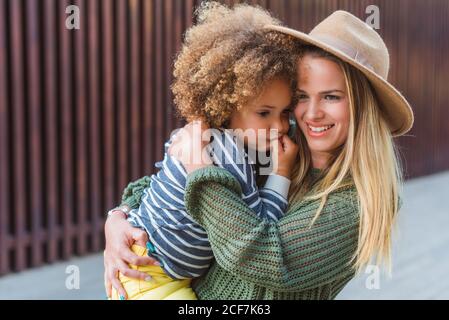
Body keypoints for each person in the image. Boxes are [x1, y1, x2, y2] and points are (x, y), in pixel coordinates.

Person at [104, 9, 414, 300]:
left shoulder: (361, 198)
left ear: (364, 108)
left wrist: (201, 169)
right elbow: (167, 183)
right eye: (302, 97)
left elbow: (264, 256)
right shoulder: (283, 144)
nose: (312, 113)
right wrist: (119, 221)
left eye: (331, 97)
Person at [108, 2, 299, 300]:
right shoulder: (229, 157)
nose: (280, 125)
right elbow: (262, 224)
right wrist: (282, 173)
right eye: (264, 113)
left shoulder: (197, 137)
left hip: (149, 262)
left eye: (285, 112)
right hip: (149, 275)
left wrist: (118, 216)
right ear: (226, 106)